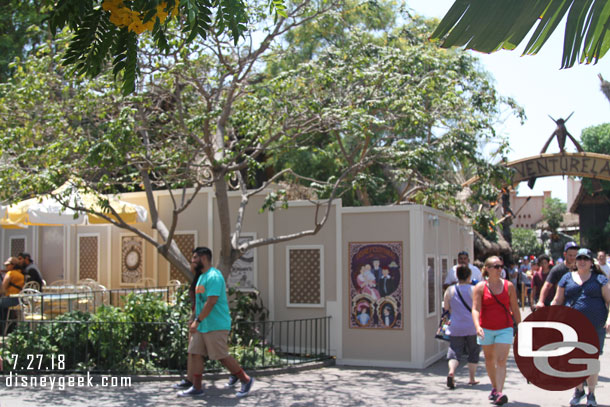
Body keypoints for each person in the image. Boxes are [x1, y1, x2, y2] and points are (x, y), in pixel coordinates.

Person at [178, 247, 254, 398]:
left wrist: (197, 321)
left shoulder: (214, 276)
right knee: (195, 353)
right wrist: (195, 320)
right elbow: (200, 303)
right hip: (202, 325)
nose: (192, 261)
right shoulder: (201, 277)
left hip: (215, 325)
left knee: (221, 356)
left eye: (194, 258)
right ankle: (197, 387)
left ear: (204, 258)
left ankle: (246, 380)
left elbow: (211, 302)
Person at [551, 248, 610, 407]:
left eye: (585, 258)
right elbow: (557, 300)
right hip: (571, 326)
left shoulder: (600, 279)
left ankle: (591, 393)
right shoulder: (566, 278)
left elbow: (609, 300)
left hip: (595, 325)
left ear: (591, 262)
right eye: (579, 258)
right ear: (575, 261)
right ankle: (579, 390)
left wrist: (609, 319)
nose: (582, 261)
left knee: (592, 360)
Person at [472, 256, 521, 406]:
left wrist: (520, 326)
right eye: (496, 266)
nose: (500, 269)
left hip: (505, 328)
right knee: (489, 360)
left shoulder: (509, 286)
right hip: (486, 328)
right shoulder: (480, 287)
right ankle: (494, 387)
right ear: (487, 269)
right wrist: (477, 326)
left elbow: (515, 308)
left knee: (501, 360)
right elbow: (475, 309)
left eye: (501, 266)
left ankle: (499, 391)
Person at [443, 265, 480, 389]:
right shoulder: (474, 289)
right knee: (473, 351)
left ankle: (451, 371)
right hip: (472, 326)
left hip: (456, 326)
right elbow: (479, 307)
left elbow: (446, 308)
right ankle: (472, 378)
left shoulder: (449, 290)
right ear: (469, 276)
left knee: (454, 352)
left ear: (457, 276)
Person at [172, 257, 205, 390]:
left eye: (194, 261)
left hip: (201, 320)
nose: (191, 264)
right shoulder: (196, 279)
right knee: (192, 352)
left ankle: (239, 375)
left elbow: (202, 301)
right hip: (196, 318)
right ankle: (190, 380)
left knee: (218, 354)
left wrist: (195, 319)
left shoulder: (202, 279)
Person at [536, 241, 579, 309]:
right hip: (561, 305)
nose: (573, 258)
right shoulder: (557, 269)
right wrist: (541, 301)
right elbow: (547, 286)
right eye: (570, 255)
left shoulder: (581, 268)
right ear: (565, 254)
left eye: (575, 255)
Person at [0, 257, 25, 333]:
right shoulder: (21, 274)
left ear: (13, 265)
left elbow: (2, 289)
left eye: (8, 265)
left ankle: (2, 329)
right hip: (19, 300)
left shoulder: (10, 274)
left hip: (10, 299)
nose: (6, 267)